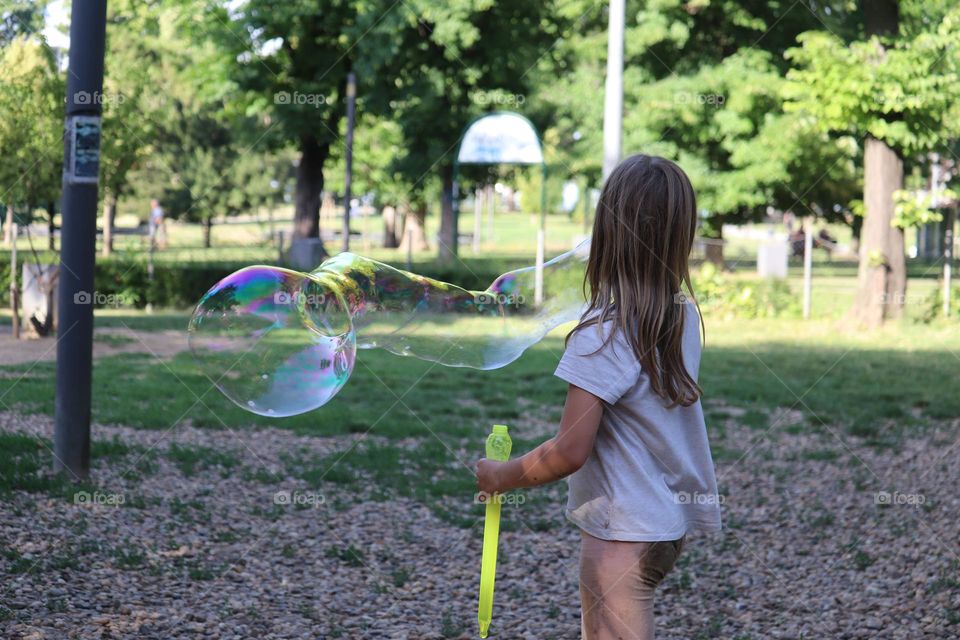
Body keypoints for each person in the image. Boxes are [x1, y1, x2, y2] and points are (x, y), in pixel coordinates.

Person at [476, 154, 722, 640]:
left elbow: (569, 450)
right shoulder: (681, 317)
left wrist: (503, 476)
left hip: (621, 538)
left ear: (606, 233)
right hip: (663, 527)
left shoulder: (603, 336)